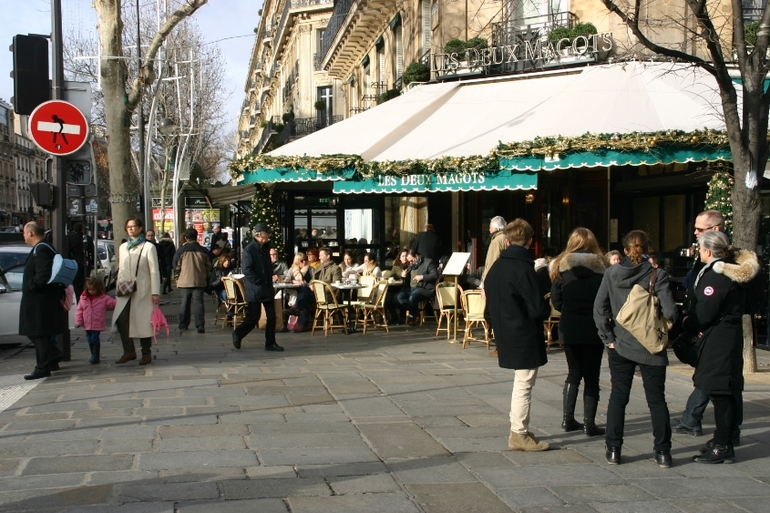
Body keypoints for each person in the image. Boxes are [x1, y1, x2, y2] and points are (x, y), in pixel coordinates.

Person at [593, 230, 678, 468]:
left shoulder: (611, 273)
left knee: (618, 397)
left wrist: (608, 338)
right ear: (648, 249)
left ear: (625, 250)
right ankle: (663, 452)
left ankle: (613, 449)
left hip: (619, 343)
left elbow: (599, 309)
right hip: (651, 345)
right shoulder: (657, 274)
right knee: (657, 400)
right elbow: (671, 312)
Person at [681, 231, 758, 463]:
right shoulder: (724, 270)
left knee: (721, 391)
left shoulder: (719, 274)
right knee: (719, 389)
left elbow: (706, 309)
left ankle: (724, 444)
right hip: (722, 336)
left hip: (720, 339)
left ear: (707, 251)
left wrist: (688, 323)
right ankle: (721, 438)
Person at [485, 219, 552, 451]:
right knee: (524, 384)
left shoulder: (496, 267)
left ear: (507, 240)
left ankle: (519, 429)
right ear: (531, 242)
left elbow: (488, 307)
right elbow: (539, 309)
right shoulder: (523, 269)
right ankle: (519, 433)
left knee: (521, 382)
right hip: (523, 333)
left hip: (504, 332)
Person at [674, 210, 742, 439]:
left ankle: (724, 437)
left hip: (716, 334)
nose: (695, 233)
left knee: (720, 386)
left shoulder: (722, 268)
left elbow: (708, 307)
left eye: (700, 230)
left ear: (716, 231)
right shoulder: (711, 263)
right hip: (713, 331)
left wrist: (690, 322)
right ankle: (709, 426)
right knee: (715, 381)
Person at [549, 228, 608, 437]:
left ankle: (567, 419)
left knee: (574, 371)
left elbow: (556, 300)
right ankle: (589, 424)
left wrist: (568, 307)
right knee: (592, 375)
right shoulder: (602, 269)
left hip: (570, 325)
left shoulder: (561, 267)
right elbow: (606, 300)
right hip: (593, 326)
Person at [19, 222, 68, 380]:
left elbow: (43, 274)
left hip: (40, 300)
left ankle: (43, 366)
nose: (23, 236)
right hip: (39, 300)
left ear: (31, 233)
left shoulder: (42, 249)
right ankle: (52, 357)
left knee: (39, 333)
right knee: (35, 332)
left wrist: (31, 286)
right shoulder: (43, 247)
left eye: (24, 233)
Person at [114, 217, 161, 366]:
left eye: (134, 226)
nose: (131, 229)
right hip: (125, 288)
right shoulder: (123, 247)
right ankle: (129, 351)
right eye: (128, 227)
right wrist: (118, 286)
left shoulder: (148, 247)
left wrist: (155, 292)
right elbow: (121, 268)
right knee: (121, 319)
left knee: (143, 322)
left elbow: (154, 271)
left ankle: (146, 353)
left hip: (143, 289)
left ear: (140, 228)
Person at [232, 223, 283, 352]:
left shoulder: (265, 248)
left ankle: (270, 343)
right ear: (259, 234)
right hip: (256, 288)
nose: (269, 236)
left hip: (267, 287)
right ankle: (238, 333)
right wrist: (258, 280)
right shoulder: (250, 249)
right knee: (254, 316)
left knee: (271, 316)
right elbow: (247, 270)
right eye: (267, 233)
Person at [172, 228, 213, 334]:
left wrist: (177, 277)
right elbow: (209, 265)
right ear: (196, 237)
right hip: (199, 280)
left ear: (185, 238)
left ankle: (183, 324)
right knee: (199, 303)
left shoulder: (181, 250)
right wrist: (205, 274)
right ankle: (200, 324)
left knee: (185, 303)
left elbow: (176, 265)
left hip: (184, 281)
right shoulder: (203, 250)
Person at [75, 275, 117, 364]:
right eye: (90, 290)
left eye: (93, 290)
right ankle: (93, 354)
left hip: (97, 323)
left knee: (94, 338)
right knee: (89, 339)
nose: (91, 292)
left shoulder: (103, 298)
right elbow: (79, 310)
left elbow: (113, 303)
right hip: (87, 323)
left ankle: (95, 356)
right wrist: (78, 321)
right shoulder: (83, 298)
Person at [397, 250, 438, 326]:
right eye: (409, 261)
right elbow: (407, 274)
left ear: (416, 256)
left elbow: (435, 275)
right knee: (399, 297)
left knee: (413, 296)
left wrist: (422, 277)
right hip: (415, 287)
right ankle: (416, 311)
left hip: (427, 288)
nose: (411, 263)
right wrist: (403, 275)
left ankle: (412, 317)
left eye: (412, 260)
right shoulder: (412, 264)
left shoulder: (428, 262)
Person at [285, 252, 313, 332]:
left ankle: (296, 308)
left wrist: (306, 284)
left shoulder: (310, 269)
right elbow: (286, 280)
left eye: (305, 260)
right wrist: (294, 281)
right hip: (295, 293)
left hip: (309, 292)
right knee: (304, 298)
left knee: (304, 290)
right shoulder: (292, 269)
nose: (304, 262)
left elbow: (314, 280)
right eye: (301, 261)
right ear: (297, 261)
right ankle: (303, 325)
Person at [67, 221, 92, 300]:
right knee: (85, 282)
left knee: (76, 283)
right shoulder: (87, 238)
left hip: (75, 262)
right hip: (85, 263)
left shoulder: (70, 238)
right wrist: (92, 263)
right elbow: (92, 251)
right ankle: (84, 297)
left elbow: (68, 252)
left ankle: (79, 298)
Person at [480, 215, 507, 289]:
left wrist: (485, 284)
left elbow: (492, 263)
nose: (489, 230)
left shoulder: (496, 241)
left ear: (496, 228)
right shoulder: (507, 238)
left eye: (490, 227)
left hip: (495, 281)